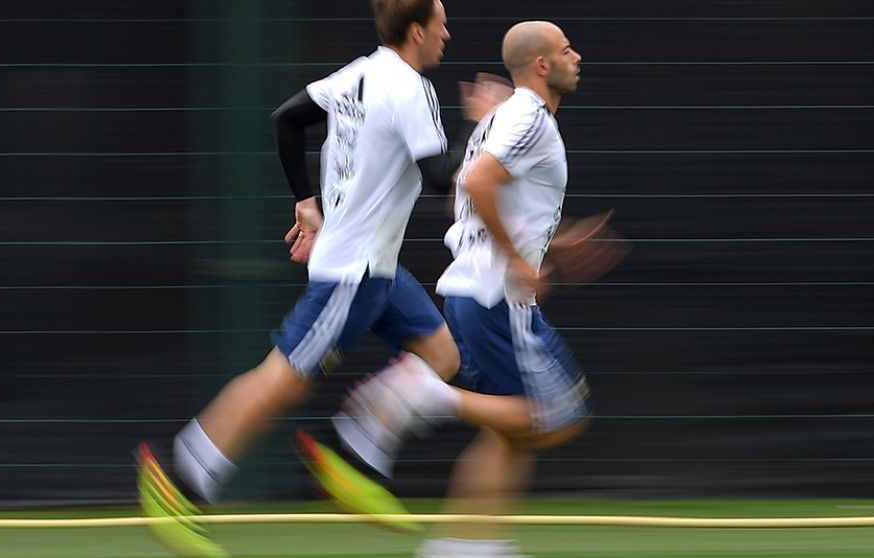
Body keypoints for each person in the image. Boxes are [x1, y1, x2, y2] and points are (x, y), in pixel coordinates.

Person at [134, 1, 499, 555]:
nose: (448, 33)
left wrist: (306, 202)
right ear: (419, 30)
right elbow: (436, 177)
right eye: (442, 23)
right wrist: (481, 125)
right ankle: (182, 477)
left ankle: (350, 450)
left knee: (442, 352)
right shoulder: (410, 88)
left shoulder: (357, 73)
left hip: (377, 267)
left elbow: (286, 119)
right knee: (282, 380)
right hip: (352, 273)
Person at [333, 20, 596, 558]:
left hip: (473, 293)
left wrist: (553, 245)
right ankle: (426, 394)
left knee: (510, 431)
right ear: (541, 65)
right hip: (497, 298)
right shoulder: (529, 118)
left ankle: (465, 547)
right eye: (566, 50)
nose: (577, 57)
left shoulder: (502, 117)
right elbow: (476, 185)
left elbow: (463, 198)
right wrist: (521, 260)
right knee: (559, 416)